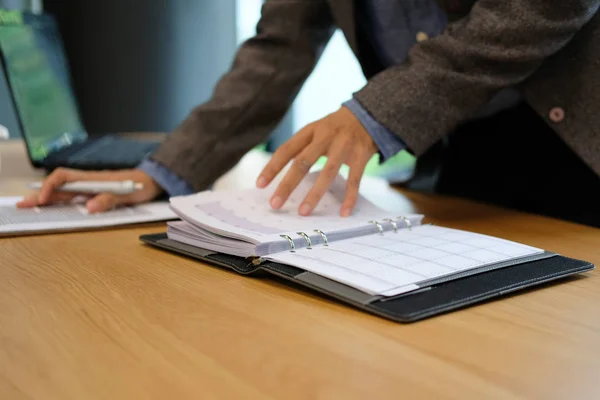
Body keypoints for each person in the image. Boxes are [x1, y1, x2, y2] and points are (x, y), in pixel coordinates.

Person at [18, 0, 600, 227]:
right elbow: (279, 47)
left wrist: (373, 114)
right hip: (461, 151)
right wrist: (164, 171)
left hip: (579, 141)